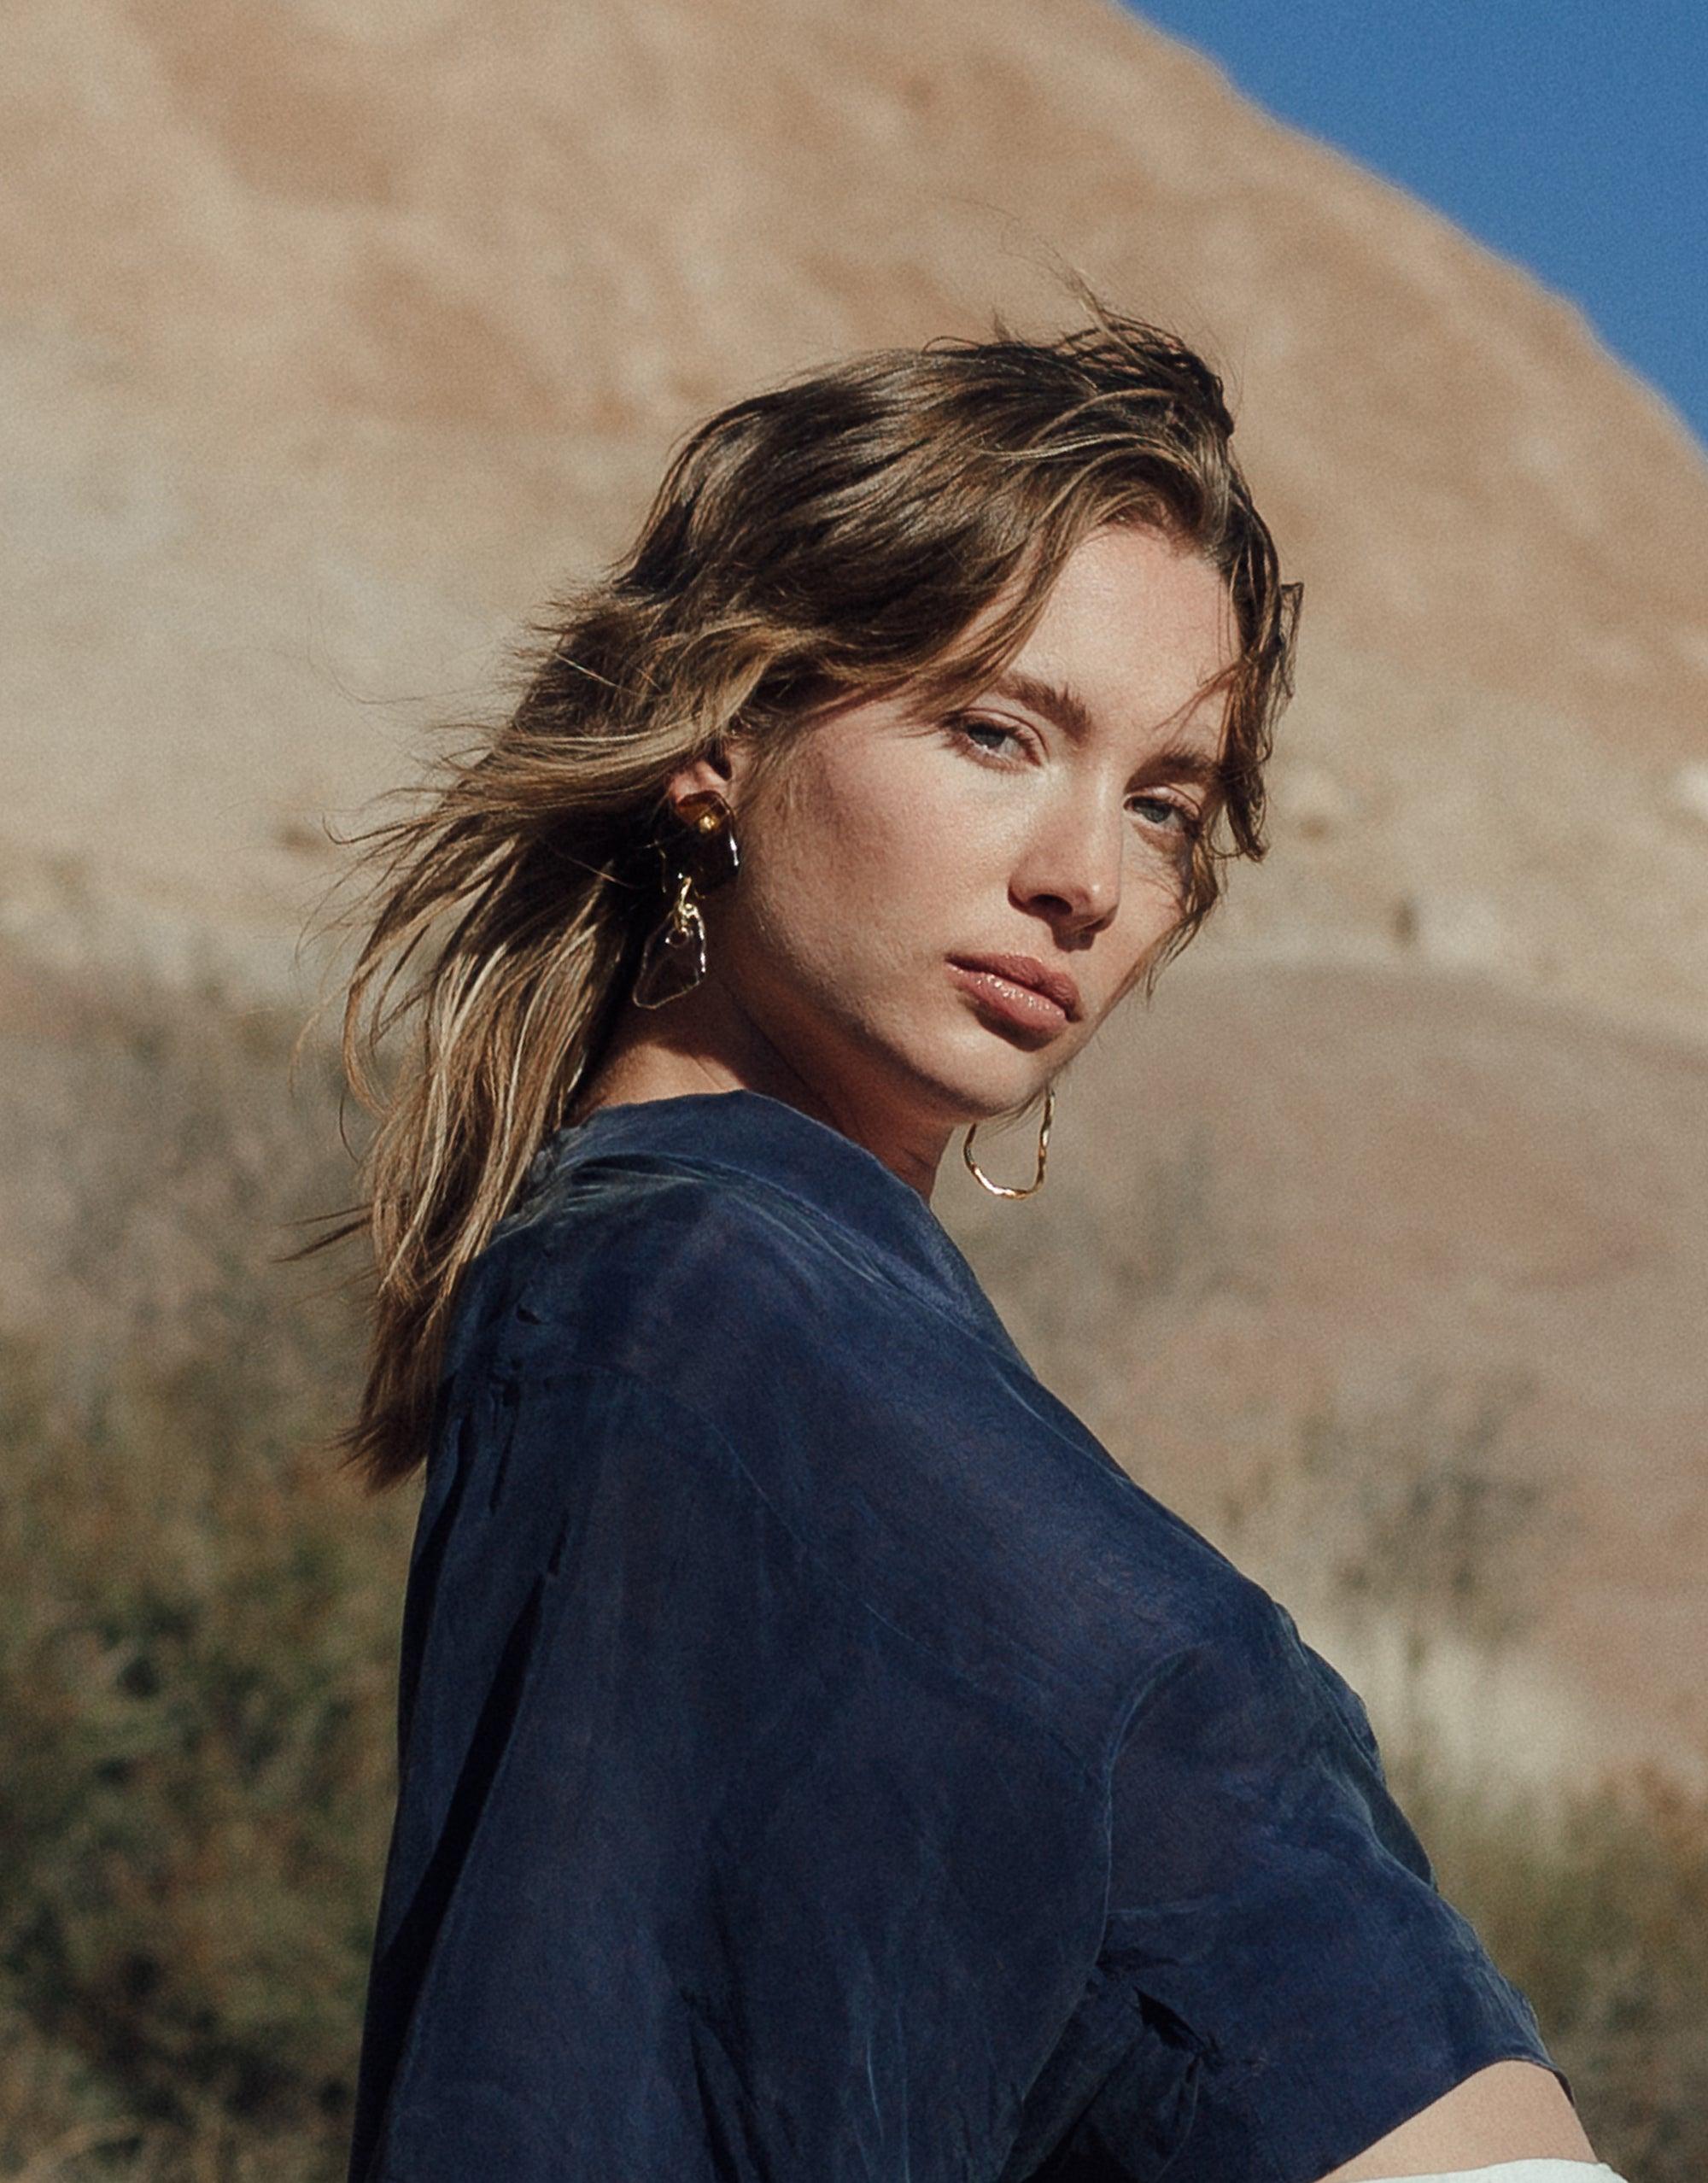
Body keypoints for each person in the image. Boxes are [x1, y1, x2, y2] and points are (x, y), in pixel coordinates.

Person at [329, 304, 1621, 2182]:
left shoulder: (774, 1312)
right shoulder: (705, 1308)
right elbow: (572, 2077)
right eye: (998, 728)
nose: (1085, 878)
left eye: (1163, 802)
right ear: (719, 734)